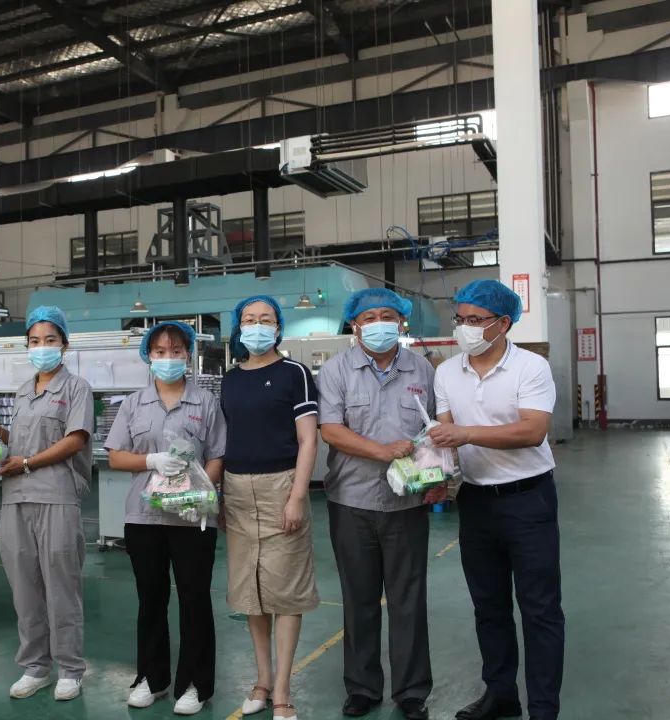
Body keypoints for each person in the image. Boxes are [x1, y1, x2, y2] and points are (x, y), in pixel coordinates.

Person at [429, 280, 562, 720]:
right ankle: (501, 693)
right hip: (476, 500)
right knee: (489, 606)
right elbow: (445, 438)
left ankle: (543, 709)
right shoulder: (447, 372)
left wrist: (466, 433)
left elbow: (533, 430)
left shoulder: (530, 367)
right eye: (460, 319)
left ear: (503, 323)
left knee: (540, 609)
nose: (464, 328)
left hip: (529, 499)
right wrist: (433, 471)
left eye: (475, 320)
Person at [317, 288, 445, 720]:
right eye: (368, 317)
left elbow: (435, 429)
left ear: (401, 322)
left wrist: (439, 476)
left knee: (408, 598)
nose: (378, 324)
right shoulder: (336, 370)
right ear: (354, 325)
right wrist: (383, 452)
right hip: (351, 500)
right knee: (359, 598)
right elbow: (331, 430)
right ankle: (362, 687)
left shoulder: (422, 369)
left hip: (407, 503)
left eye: (386, 315)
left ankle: (411, 691)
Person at [104, 321, 226, 716]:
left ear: (187, 354)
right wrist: (151, 460)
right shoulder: (133, 404)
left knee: (194, 599)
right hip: (144, 518)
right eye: (159, 351)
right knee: (150, 599)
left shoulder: (205, 403)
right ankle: (151, 679)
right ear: (148, 356)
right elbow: (116, 456)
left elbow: (218, 455)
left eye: (175, 351)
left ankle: (194, 684)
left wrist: (202, 492)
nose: (168, 358)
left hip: (192, 518)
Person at [0, 306, 94, 702]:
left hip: (56, 496)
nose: (41, 347)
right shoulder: (22, 391)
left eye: (49, 340)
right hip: (16, 497)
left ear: (64, 344)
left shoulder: (76, 388)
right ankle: (35, 666)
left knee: (61, 586)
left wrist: (27, 463)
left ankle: (70, 668)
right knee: (24, 587)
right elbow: (21, 443)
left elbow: (75, 439)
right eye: (34, 341)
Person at [220, 295, 319, 720]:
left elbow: (308, 440)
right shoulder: (230, 379)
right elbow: (226, 439)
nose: (256, 325)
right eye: (249, 319)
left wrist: (297, 496)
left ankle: (282, 691)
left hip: (281, 486)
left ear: (278, 327)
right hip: (237, 490)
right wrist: (220, 495)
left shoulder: (294, 373)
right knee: (252, 593)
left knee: (285, 592)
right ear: (238, 326)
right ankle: (261, 680)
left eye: (265, 319)